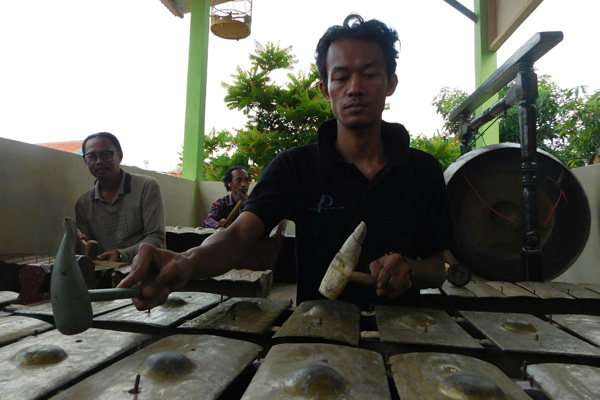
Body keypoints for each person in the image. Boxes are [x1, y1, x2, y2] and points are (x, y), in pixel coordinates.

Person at [119, 14, 453, 310]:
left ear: (391, 84)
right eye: (341, 78)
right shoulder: (295, 168)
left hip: (407, 338)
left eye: (369, 74)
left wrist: (409, 269)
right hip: (316, 337)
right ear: (325, 89)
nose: (354, 88)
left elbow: (438, 267)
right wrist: (187, 260)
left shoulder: (423, 170)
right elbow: (238, 237)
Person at [75, 132, 166, 263]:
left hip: (147, 271)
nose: (99, 161)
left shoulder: (146, 186)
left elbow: (156, 238)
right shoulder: (83, 204)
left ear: (120, 156)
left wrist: (120, 255)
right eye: (91, 157)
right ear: (85, 161)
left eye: (106, 155)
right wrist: (77, 244)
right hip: (106, 276)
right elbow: (88, 252)